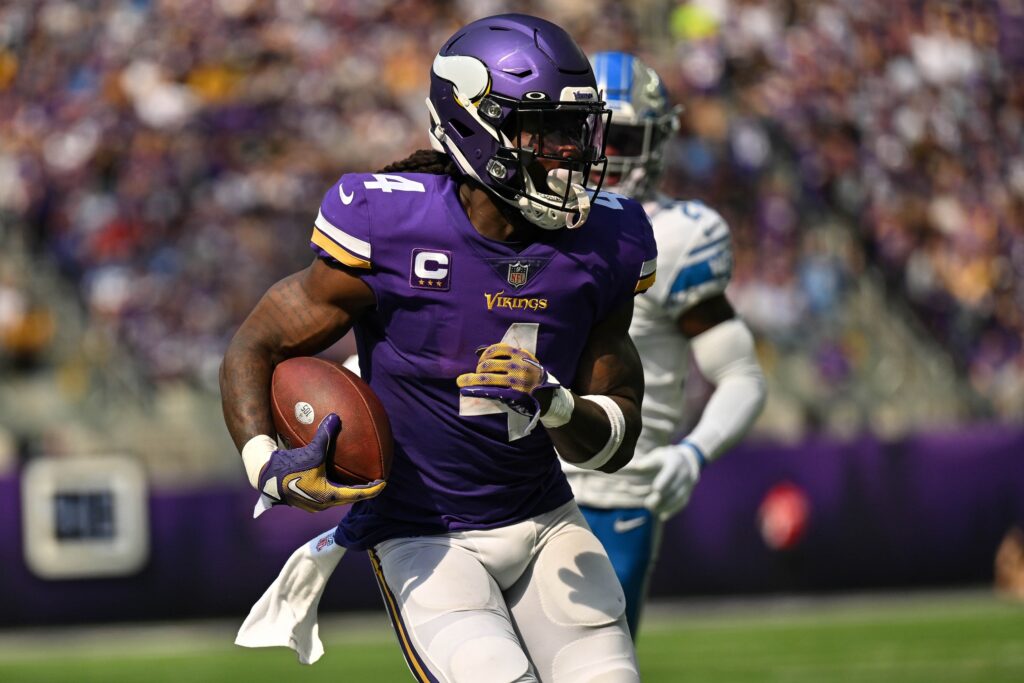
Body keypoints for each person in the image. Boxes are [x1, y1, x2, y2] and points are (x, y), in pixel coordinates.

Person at [221, 16, 658, 682]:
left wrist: (557, 403)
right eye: (543, 130)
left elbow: (616, 434)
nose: (568, 153)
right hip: (425, 532)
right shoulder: (388, 226)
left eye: (576, 131)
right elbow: (256, 343)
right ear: (473, 127)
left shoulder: (608, 240)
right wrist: (265, 464)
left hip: (545, 519)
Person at [562, 51, 768, 639]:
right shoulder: (520, 218)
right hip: (512, 481)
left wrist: (693, 452)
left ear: (655, 140)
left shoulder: (679, 237)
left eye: (621, 134)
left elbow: (742, 376)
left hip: (617, 490)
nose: (603, 151)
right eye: (588, 132)